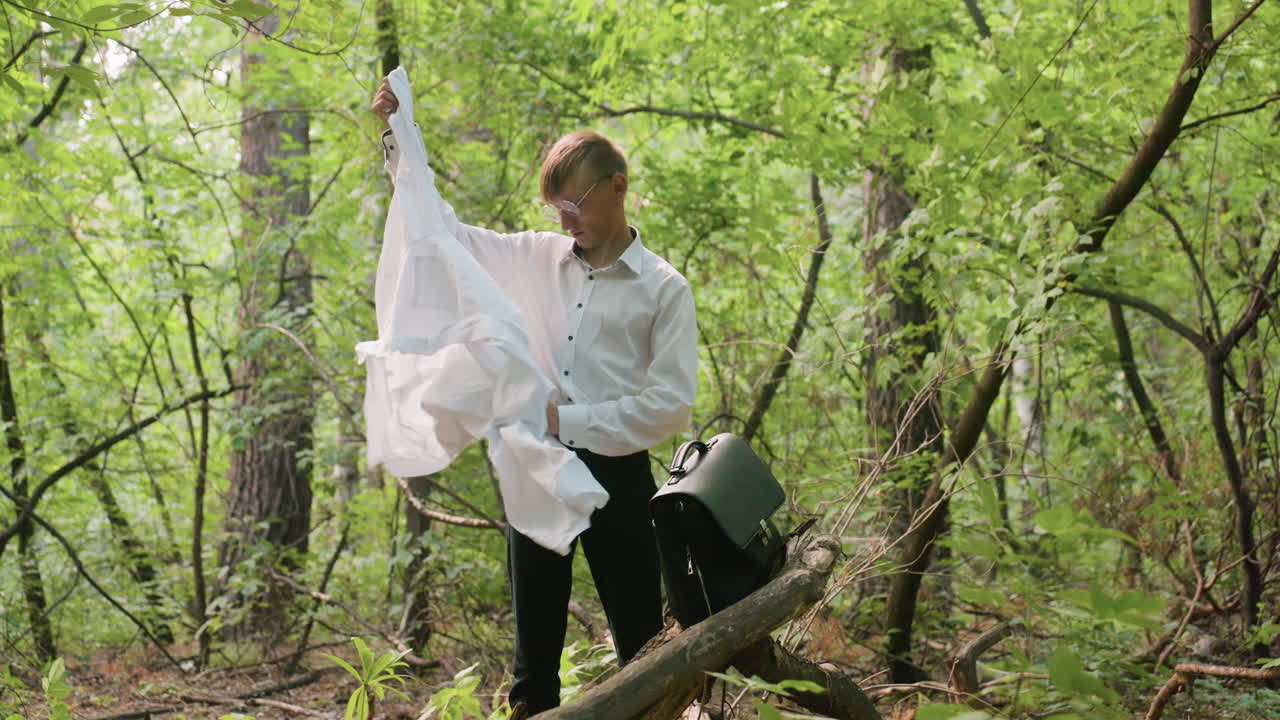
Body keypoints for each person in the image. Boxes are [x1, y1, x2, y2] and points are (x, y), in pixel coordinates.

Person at [371, 76, 698, 716]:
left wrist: (566, 417)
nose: (565, 219)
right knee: (533, 665)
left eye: (575, 203)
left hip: (617, 475)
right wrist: (399, 136)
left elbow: (670, 405)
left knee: (642, 648)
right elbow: (443, 233)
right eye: (556, 209)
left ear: (618, 188)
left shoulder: (665, 289)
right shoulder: (534, 258)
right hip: (538, 469)